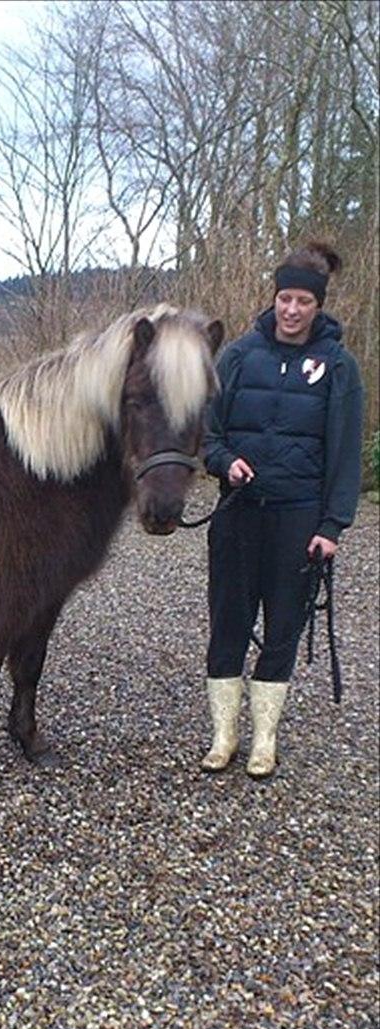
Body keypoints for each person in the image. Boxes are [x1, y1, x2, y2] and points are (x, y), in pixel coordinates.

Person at [201, 239, 364, 778]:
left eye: (303, 302)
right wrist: (225, 462)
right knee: (228, 622)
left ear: (318, 306)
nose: (292, 310)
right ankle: (224, 737)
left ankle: (263, 741)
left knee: (283, 627)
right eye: (285, 299)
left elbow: (344, 454)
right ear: (273, 299)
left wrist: (332, 525)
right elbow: (208, 432)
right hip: (238, 513)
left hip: (298, 516)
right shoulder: (240, 356)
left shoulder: (338, 367)